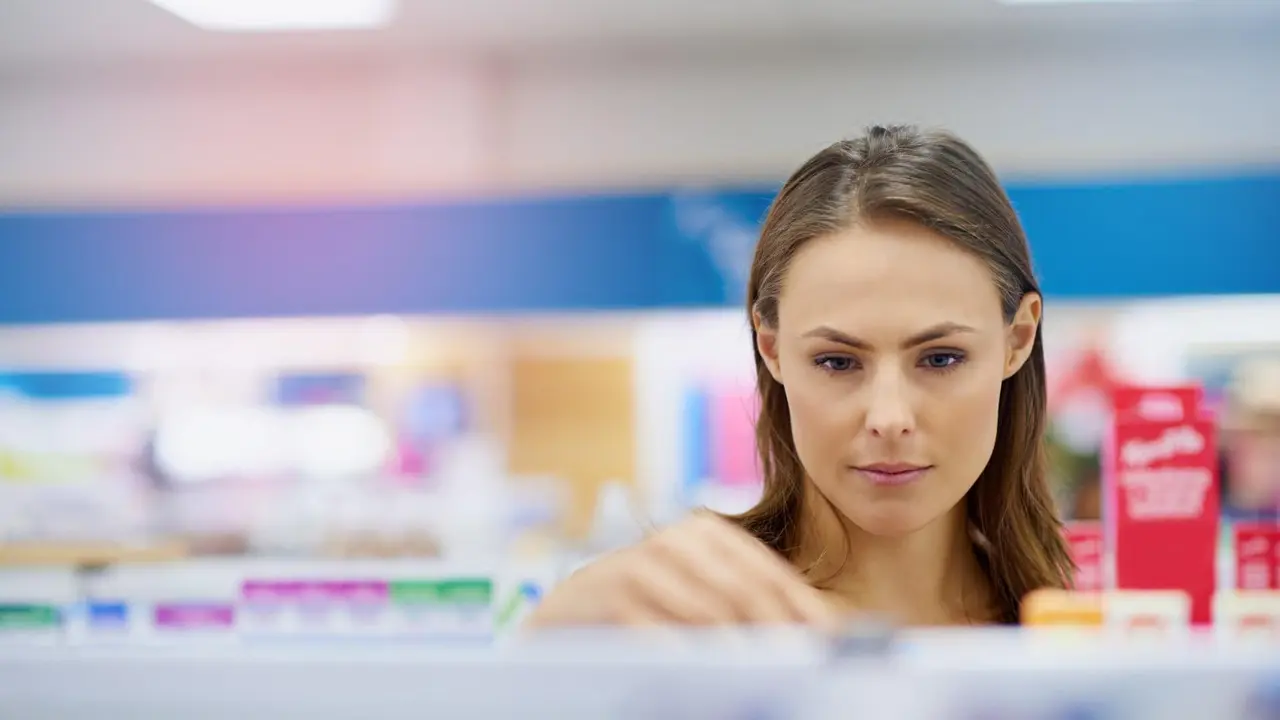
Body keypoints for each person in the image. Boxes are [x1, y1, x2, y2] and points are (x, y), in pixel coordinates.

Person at [529, 125, 1074, 628]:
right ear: (771, 348)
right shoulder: (679, 618)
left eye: (940, 359)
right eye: (837, 362)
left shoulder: (1091, 624)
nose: (889, 419)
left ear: (1017, 339)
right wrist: (550, 644)